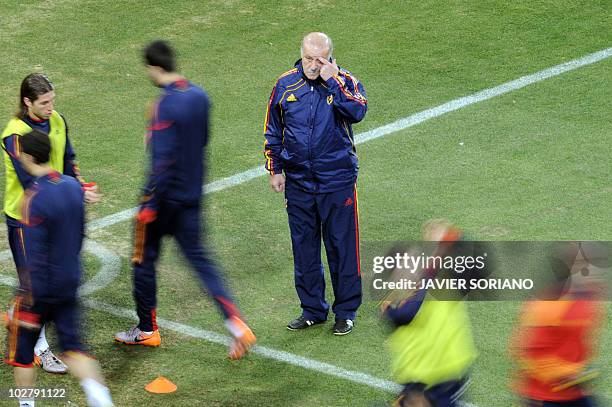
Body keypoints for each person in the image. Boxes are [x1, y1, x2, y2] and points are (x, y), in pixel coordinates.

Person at [114, 40, 256, 359]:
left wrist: (149, 205)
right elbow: (202, 141)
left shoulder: (163, 106)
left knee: (142, 260)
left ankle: (147, 330)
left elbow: (160, 161)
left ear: (153, 68)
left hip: (163, 202)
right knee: (201, 261)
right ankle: (235, 324)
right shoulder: (199, 96)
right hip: (191, 196)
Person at [263, 32, 367, 335]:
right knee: (304, 249)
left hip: (337, 180)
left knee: (342, 248)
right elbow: (273, 129)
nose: (312, 65)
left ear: (330, 57)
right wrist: (275, 169)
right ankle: (312, 310)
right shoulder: (285, 84)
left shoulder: (345, 81)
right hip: (298, 182)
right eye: (308, 58)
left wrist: (332, 80)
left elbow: (357, 111)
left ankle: (346, 312)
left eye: (319, 59)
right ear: (301, 55)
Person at [4, 130, 113, 407]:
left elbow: (33, 255)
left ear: (28, 157)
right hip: (70, 279)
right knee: (75, 349)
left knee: (23, 354)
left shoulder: (33, 199)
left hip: (40, 290)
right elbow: (79, 234)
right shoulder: (71, 186)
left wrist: (26, 297)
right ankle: (102, 401)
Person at [1, 73, 101, 374]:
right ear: (27, 101)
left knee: (52, 276)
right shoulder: (14, 134)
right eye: (44, 102)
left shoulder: (57, 120)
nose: (50, 107)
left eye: (52, 100)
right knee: (34, 284)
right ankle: (39, 349)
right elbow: (28, 177)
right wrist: (70, 194)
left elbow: (69, 160)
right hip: (25, 219)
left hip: (56, 210)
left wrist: (80, 185)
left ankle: (19, 318)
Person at [380, 220, 478, 407]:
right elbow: (406, 314)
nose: (411, 270)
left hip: (445, 375)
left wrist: (449, 239)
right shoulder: (393, 303)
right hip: (418, 377)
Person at [509, 242, 607, 406]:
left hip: (575, 392)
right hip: (545, 395)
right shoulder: (548, 306)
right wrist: (567, 374)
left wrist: (579, 371)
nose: (595, 271)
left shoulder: (588, 298)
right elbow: (524, 349)